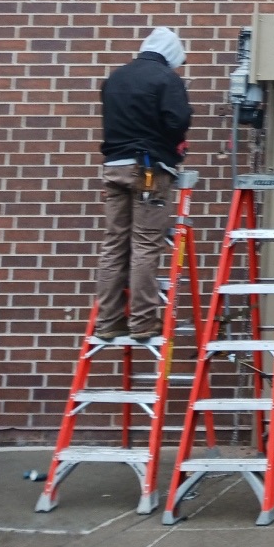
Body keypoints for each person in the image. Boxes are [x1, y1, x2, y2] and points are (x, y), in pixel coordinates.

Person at [97, 28, 193, 342]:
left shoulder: (115, 78)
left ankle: (109, 321)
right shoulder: (167, 79)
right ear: (171, 55)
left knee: (114, 244)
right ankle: (141, 322)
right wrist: (172, 145)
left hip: (114, 168)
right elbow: (177, 122)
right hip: (149, 169)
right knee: (145, 244)